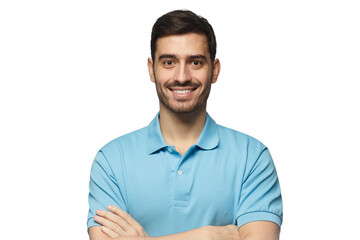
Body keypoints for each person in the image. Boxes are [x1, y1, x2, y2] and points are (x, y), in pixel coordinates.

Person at [87, 9, 283, 240]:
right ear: (152, 69)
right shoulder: (111, 160)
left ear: (215, 70)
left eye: (196, 62)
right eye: (169, 62)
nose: (181, 76)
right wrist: (208, 235)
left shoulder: (252, 156)